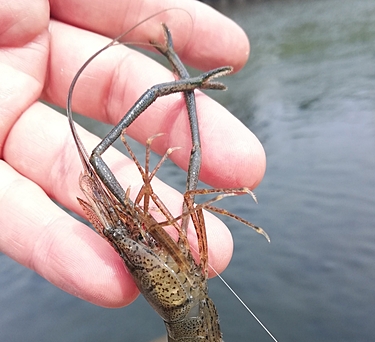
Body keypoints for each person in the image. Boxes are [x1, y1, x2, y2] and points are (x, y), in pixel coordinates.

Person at [0, 0, 266, 307]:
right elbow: (195, 153)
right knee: (186, 184)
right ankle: (182, 72)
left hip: (185, 299)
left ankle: (180, 70)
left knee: (155, 189)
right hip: (185, 305)